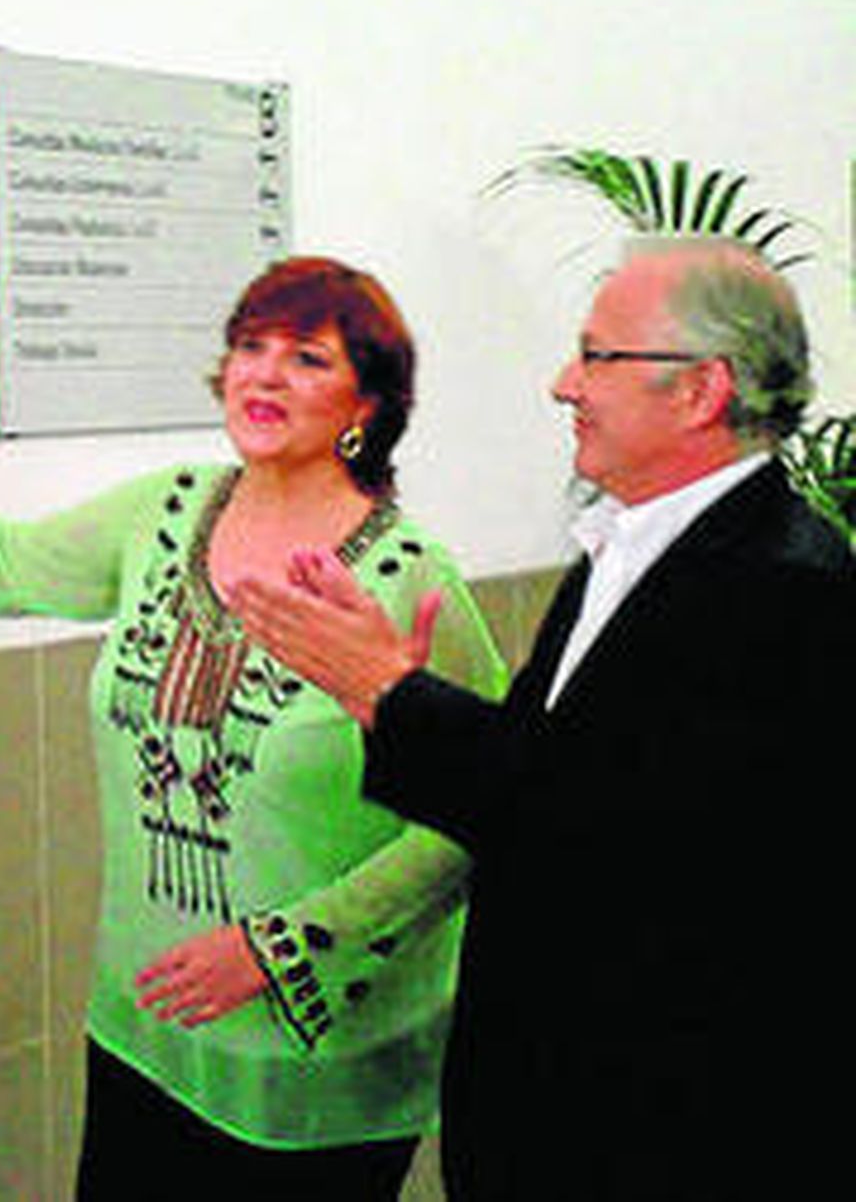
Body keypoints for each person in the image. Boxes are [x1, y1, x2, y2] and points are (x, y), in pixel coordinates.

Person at [0, 257, 506, 1199]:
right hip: (144, 1031)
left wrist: (285, 948)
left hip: (311, 1070)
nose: (266, 374)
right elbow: (10, 561)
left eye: (308, 358)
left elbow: (482, 814)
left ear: (367, 404)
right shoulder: (168, 511)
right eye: (251, 347)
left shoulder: (409, 576)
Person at [230, 239, 856, 1201]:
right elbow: (546, 770)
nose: (565, 384)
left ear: (702, 391)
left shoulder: (784, 588)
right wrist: (386, 687)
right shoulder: (630, 544)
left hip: (661, 1132)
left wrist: (390, 694)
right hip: (559, 1106)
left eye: (597, 356)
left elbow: (612, 837)